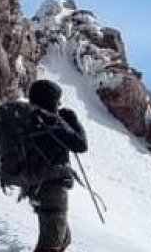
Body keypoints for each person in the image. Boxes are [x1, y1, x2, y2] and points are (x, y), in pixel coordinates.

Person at [23, 79, 89, 252]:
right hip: (52, 187)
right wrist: (72, 120)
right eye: (57, 100)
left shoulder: (29, 120)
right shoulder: (51, 121)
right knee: (52, 242)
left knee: (63, 238)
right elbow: (80, 144)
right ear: (50, 99)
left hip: (35, 185)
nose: (59, 104)